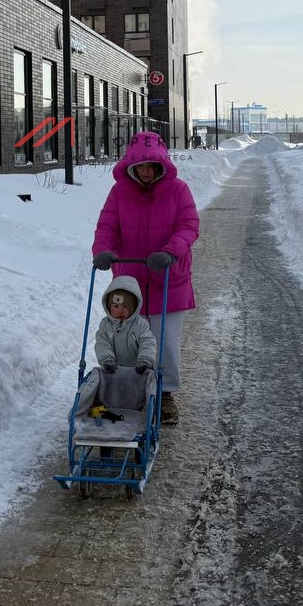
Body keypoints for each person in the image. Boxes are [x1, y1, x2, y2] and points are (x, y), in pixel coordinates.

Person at [92, 130, 200, 425]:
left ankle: (165, 394)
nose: (147, 172)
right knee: (128, 340)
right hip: (131, 280)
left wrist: (171, 251)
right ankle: (131, 390)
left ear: (161, 165)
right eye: (141, 166)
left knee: (164, 340)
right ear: (131, 166)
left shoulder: (178, 190)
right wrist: (102, 249)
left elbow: (189, 225)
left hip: (168, 277)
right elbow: (107, 225)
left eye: (152, 166)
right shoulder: (119, 193)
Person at [94, 276, 157, 374]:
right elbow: (102, 343)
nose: (120, 310)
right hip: (113, 372)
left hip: (138, 372)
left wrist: (144, 360)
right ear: (108, 306)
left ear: (134, 308)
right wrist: (107, 360)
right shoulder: (105, 325)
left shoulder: (140, 324)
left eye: (126, 306)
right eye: (116, 306)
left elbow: (148, 342)